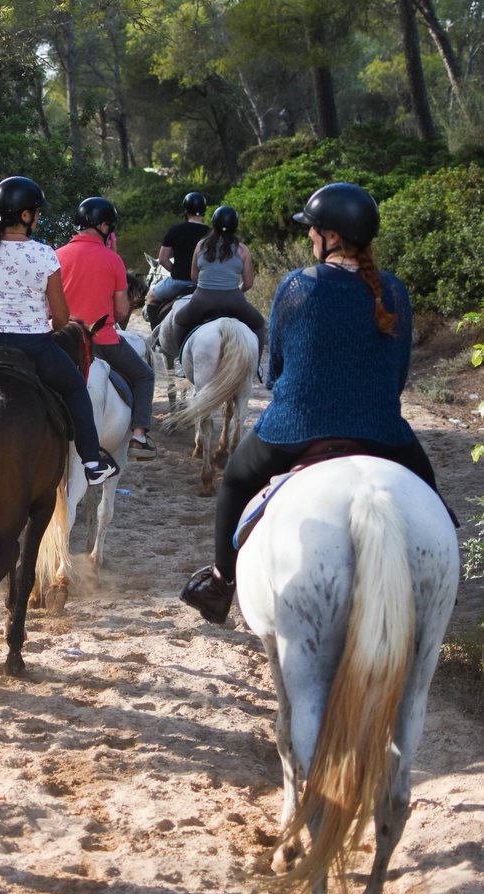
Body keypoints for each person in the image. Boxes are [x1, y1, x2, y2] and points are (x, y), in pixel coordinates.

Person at [180, 181, 456, 625]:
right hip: (382, 430)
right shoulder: (395, 291)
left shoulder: (297, 287)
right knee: (435, 502)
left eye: (313, 230)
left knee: (232, 481)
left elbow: (276, 372)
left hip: (296, 427)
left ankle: (220, 585)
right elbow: (398, 374)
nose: (309, 236)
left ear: (332, 237)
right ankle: (446, 581)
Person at [0, 176, 120, 487]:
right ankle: (93, 461)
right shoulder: (43, 254)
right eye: (37, 212)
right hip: (34, 345)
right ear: (26, 216)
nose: (38, 218)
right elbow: (61, 316)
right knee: (75, 390)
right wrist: (50, 327)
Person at [56, 196, 156, 461]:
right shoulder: (113, 260)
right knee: (144, 375)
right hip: (102, 340)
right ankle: (139, 436)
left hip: (62, 341)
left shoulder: (57, 255)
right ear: (102, 226)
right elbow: (122, 311)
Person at [166, 205, 267, 362]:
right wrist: (235, 291)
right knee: (259, 324)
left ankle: (181, 359)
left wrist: (208, 284)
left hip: (203, 299)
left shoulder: (201, 245)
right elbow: (248, 283)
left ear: (213, 224)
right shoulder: (242, 250)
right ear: (235, 226)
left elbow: (194, 277)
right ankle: (258, 365)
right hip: (234, 300)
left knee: (179, 320)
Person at [146, 192, 210, 309]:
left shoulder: (175, 230)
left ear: (186, 210)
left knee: (150, 297)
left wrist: (176, 270)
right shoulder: (211, 233)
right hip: (205, 285)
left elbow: (163, 259)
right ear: (203, 210)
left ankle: (156, 327)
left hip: (179, 282)